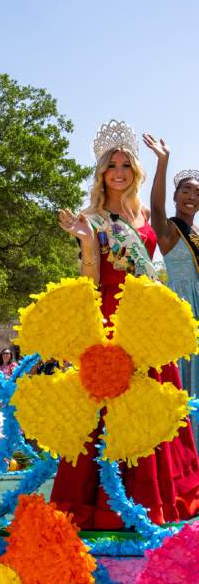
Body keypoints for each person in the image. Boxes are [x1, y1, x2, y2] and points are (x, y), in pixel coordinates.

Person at [55, 119, 199, 529]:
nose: (119, 171)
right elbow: (90, 281)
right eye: (111, 165)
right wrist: (86, 243)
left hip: (145, 318)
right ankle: (103, 503)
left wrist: (164, 163)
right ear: (102, 172)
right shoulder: (93, 217)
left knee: (155, 403)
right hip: (111, 319)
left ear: (133, 171)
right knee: (107, 407)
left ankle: (161, 496)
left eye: (125, 165)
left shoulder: (142, 213)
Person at [143, 133, 199, 443]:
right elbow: (155, 206)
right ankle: (184, 449)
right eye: (186, 191)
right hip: (181, 311)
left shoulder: (197, 233)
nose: (192, 196)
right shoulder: (170, 230)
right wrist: (163, 162)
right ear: (176, 197)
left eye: (197, 193)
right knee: (183, 381)